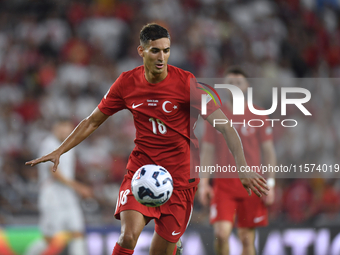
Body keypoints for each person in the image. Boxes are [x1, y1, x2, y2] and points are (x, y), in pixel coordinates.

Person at [26, 24, 269, 255]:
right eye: (155, 51)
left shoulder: (187, 84)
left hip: (181, 178)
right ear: (141, 51)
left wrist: (243, 167)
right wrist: (60, 150)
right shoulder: (126, 83)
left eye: (166, 50)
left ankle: (174, 243)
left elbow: (226, 127)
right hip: (141, 171)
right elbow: (92, 121)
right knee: (128, 237)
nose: (162, 57)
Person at [199, 67, 276, 255]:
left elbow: (269, 152)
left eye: (238, 82)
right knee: (221, 233)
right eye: (230, 83)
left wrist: (271, 183)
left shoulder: (258, 114)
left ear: (247, 86)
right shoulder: (215, 114)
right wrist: (203, 183)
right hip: (224, 184)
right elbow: (208, 151)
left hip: (251, 183)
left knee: (247, 239)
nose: (234, 86)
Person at [25, 119, 92, 255]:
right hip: (52, 196)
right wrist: (78, 187)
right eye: (62, 128)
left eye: (68, 129)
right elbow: (54, 172)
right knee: (48, 239)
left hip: (67, 195)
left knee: (78, 233)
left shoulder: (69, 146)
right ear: (55, 128)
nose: (65, 132)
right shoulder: (49, 144)